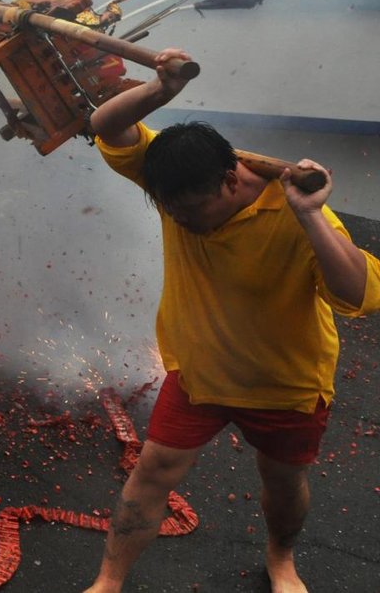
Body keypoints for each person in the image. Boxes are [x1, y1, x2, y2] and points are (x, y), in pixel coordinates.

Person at [80, 48, 380, 593]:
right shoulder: (171, 178)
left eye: (193, 210)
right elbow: (104, 125)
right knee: (152, 471)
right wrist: (160, 90)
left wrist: (312, 216)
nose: (182, 220)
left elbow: (358, 293)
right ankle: (108, 581)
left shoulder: (296, 212)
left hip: (285, 383)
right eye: (171, 211)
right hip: (200, 374)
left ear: (229, 181)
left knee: (283, 482)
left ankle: (281, 560)